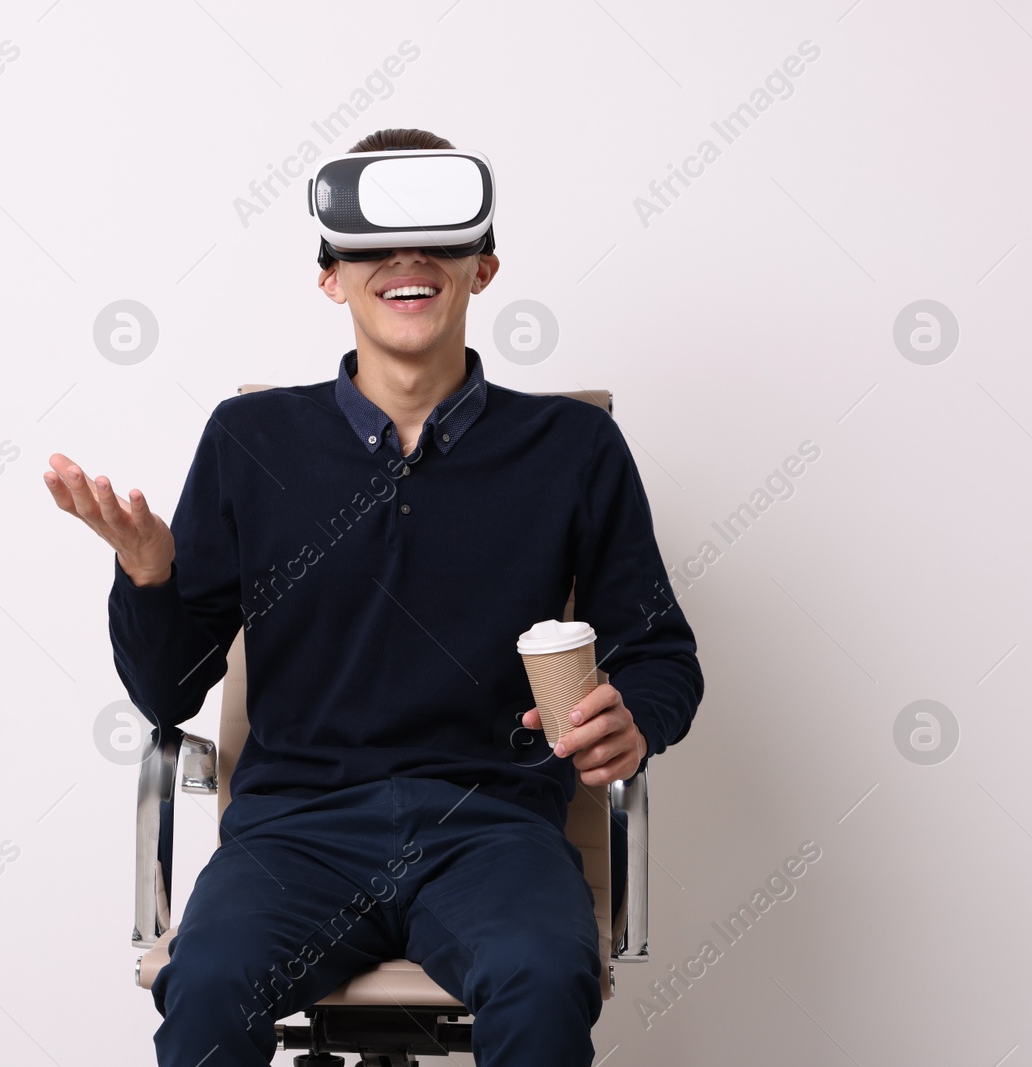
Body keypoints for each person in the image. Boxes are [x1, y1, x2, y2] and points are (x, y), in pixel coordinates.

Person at [44, 127, 704, 1066]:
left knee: (544, 976)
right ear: (331, 277)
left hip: (492, 827)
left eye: (440, 244)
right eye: (373, 248)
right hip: (294, 835)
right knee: (209, 985)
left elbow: (660, 650)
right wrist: (151, 576)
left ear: (483, 268)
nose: (408, 263)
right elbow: (166, 693)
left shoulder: (573, 450)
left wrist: (636, 714)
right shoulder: (250, 440)